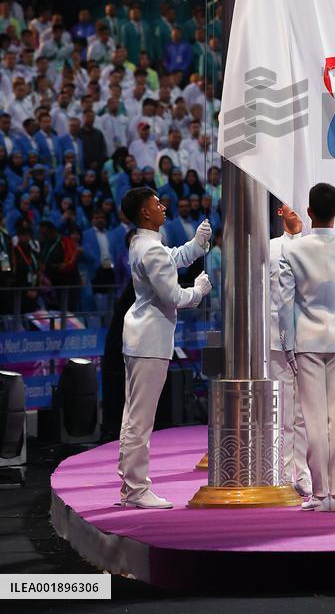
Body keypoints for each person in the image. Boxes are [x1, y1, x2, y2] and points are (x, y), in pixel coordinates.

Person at [117, 186, 212, 508]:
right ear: (145, 212)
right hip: (149, 341)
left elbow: (172, 258)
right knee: (140, 419)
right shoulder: (150, 249)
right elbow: (173, 296)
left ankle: (131, 486)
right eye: (157, 204)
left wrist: (196, 246)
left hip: (142, 339)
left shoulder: (143, 243)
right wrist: (197, 291)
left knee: (134, 416)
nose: (163, 207)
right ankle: (135, 489)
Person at [278, 183, 335, 513]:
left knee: (313, 421)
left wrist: (287, 346)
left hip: (307, 342)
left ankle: (319, 494)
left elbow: (284, 304)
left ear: (310, 212)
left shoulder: (293, 250)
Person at [269, 203, 311, 497]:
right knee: (281, 410)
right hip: (276, 338)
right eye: (289, 205)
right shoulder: (269, 248)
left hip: (310, 337)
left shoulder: (314, 246)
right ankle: (281, 472)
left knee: (305, 413)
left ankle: (304, 472)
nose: (294, 210)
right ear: (280, 211)